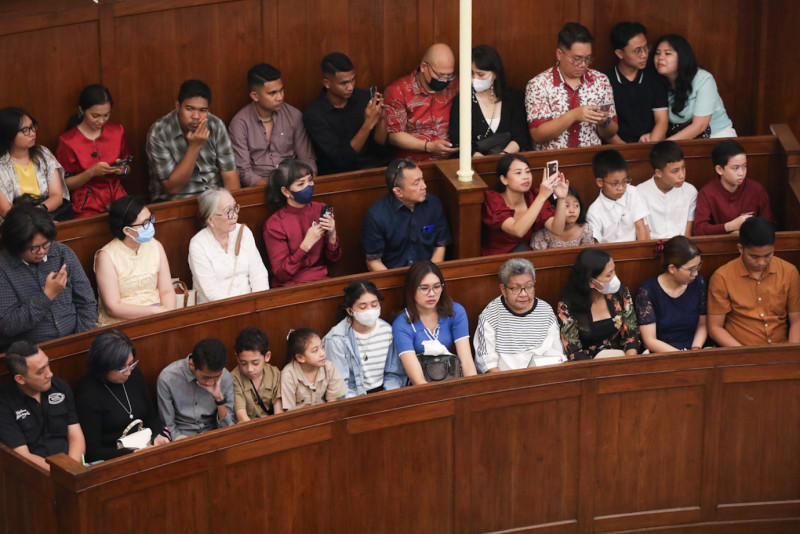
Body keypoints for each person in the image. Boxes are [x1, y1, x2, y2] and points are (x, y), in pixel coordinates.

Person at [0, 204, 97, 352]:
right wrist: (47, 295)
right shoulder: (3, 269)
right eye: (34, 248)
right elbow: (8, 325)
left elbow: (87, 303)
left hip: (76, 340)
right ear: (16, 245)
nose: (42, 252)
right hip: (30, 353)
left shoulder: (63, 253)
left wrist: (82, 340)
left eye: (46, 245)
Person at [75, 330, 170, 462]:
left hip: (146, 448)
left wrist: (156, 436)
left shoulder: (134, 375)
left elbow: (151, 417)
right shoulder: (87, 392)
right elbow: (92, 452)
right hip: (115, 459)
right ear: (103, 367)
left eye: (131, 364)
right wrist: (132, 453)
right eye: (121, 369)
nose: (128, 372)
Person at [707, 217, 800, 346]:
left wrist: (791, 352)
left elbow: (797, 320)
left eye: (768, 255)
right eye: (754, 256)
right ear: (740, 248)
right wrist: (745, 354)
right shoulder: (722, 277)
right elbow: (715, 328)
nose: (761, 263)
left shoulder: (789, 271)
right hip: (741, 351)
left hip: (782, 348)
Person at [526, 23, 617, 151]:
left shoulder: (600, 81)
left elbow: (611, 131)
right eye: (577, 59)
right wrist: (573, 115)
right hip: (553, 160)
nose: (583, 64)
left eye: (588, 58)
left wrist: (604, 122)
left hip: (591, 157)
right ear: (559, 54)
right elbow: (537, 135)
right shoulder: (539, 84)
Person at [146, 79, 240, 202]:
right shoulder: (159, 132)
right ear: (178, 106)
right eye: (189, 109)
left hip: (215, 200)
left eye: (202, 110)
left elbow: (230, 178)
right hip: (176, 202)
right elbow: (172, 188)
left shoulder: (216, 125)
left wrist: (230, 207)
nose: (196, 117)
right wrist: (194, 147)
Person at [0, 341, 85, 471]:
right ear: (20, 379)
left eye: (48, 365)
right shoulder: (5, 404)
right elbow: (22, 455)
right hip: (36, 473)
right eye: (41, 371)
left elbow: (75, 435)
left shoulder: (60, 387)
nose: (49, 374)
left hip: (73, 464)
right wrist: (63, 473)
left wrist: (73, 468)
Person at [390, 260, 477, 384]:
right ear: (411, 289)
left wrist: (472, 389)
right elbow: (417, 380)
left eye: (437, 287)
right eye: (424, 288)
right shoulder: (401, 323)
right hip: (421, 386)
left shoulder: (456, 311)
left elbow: (467, 361)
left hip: (451, 377)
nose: (432, 294)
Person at [229, 63, 317, 186]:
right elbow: (244, 171)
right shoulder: (240, 123)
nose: (280, 97)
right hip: (259, 188)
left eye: (281, 90)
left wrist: (305, 183)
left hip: (294, 184)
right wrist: (274, 190)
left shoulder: (294, 115)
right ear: (255, 96)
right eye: (272, 93)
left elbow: (307, 159)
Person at [95, 196, 176, 326]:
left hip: (159, 316)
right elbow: (113, 306)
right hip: (123, 323)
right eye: (145, 223)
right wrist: (154, 312)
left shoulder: (155, 245)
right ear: (127, 231)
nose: (150, 225)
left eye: (150, 219)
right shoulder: (106, 256)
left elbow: (167, 290)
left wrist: (168, 315)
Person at [474, 258, 565, 372]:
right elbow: (487, 363)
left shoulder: (546, 311)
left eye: (529, 286)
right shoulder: (490, 315)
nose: (523, 294)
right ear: (503, 289)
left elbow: (556, 354)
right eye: (516, 288)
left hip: (541, 376)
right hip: (504, 378)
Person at [303, 52, 387, 175]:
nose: (350, 87)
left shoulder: (364, 98)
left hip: (371, 169)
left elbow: (381, 150)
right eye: (344, 83)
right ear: (327, 83)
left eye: (353, 80)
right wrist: (368, 124)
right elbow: (341, 160)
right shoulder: (314, 114)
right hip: (338, 176)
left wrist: (382, 119)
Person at [55, 84, 131, 218]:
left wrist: (122, 170)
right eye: (95, 116)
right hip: (86, 205)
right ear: (82, 110)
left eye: (106, 115)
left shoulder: (117, 131)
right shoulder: (68, 141)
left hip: (119, 198)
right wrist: (91, 172)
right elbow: (65, 185)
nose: (101, 121)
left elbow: (128, 167)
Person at [361, 159, 452, 270]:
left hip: (428, 274)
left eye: (422, 178)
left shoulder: (434, 204)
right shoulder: (376, 216)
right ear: (398, 191)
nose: (424, 186)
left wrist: (430, 275)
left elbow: (440, 246)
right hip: (392, 275)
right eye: (416, 183)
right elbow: (373, 261)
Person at [264, 158, 340, 286]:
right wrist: (305, 246)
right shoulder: (275, 224)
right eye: (300, 184)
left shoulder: (320, 209)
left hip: (321, 279)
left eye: (310, 180)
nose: (308, 186)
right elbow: (281, 274)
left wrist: (332, 236)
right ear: (286, 191)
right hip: (291, 285)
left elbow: (333, 260)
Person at [558, 248, 642, 360]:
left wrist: (627, 362)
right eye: (608, 275)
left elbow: (632, 335)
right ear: (591, 282)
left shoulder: (620, 293)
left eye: (614, 271)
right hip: (589, 365)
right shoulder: (566, 306)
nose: (614, 278)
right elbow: (574, 352)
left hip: (622, 357)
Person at [189, 187, 269, 302]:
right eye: (228, 212)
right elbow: (211, 291)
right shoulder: (198, 244)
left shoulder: (244, 232)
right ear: (211, 220)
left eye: (235, 208)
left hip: (251, 304)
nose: (235, 215)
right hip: (216, 308)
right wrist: (236, 308)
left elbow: (258, 274)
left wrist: (259, 303)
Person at [448, 45, 530, 156]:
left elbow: (520, 135)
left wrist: (502, 158)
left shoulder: (514, 97)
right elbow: (458, 140)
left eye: (481, 74)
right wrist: (483, 161)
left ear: (495, 74)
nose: (474, 78)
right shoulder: (461, 101)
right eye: (471, 73)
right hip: (473, 162)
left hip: (509, 160)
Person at [322, 280, 398, 397]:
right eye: (363, 307)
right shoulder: (336, 339)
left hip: (385, 393)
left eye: (374, 305)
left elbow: (394, 374)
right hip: (354, 397)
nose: (370, 311)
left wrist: (388, 396)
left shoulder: (387, 330)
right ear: (350, 311)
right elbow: (339, 385)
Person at [384, 43, 459, 162]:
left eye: (449, 76)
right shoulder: (399, 91)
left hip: (452, 160)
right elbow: (394, 136)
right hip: (413, 163)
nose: (445, 81)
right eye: (440, 75)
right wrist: (429, 147)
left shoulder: (455, 86)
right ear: (424, 67)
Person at [481, 153, 567, 256]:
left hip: (524, 255)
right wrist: (542, 196)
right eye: (518, 173)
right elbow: (518, 231)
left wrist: (562, 198)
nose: (525, 177)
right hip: (496, 258)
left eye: (528, 171)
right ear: (504, 179)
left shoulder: (533, 197)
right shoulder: (493, 199)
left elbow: (557, 229)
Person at [653, 34, 736, 139]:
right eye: (657, 53)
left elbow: (699, 126)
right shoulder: (658, 82)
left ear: (682, 57)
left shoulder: (703, 79)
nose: (660, 57)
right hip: (680, 142)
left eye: (667, 53)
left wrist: (664, 145)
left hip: (717, 137)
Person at [635, 236, 707, 352]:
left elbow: (702, 324)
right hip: (663, 353)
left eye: (698, 266)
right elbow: (649, 341)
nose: (696, 273)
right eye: (691, 269)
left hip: (694, 349)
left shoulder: (698, 283)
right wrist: (681, 356)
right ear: (672, 268)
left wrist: (696, 349)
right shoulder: (647, 290)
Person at [156, 338, 236, 439]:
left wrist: (219, 399)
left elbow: (228, 428)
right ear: (192, 364)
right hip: (181, 437)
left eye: (216, 377)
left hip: (214, 435)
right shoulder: (167, 378)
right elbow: (168, 426)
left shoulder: (226, 378)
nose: (211, 382)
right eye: (205, 377)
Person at [0, 107, 69, 220]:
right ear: (9, 135)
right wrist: (33, 221)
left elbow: (57, 196)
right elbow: (5, 210)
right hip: (16, 221)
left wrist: (39, 213)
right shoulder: (2, 165)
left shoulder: (43, 153)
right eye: (25, 130)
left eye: (32, 127)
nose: (32, 133)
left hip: (46, 212)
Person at [693, 139, 774, 236]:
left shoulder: (756, 189)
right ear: (719, 169)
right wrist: (729, 226)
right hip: (720, 244)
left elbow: (769, 224)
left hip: (752, 242)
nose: (741, 173)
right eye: (736, 168)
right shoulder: (706, 193)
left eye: (744, 166)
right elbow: (699, 230)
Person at [606, 22, 668, 144]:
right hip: (617, 149)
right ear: (620, 53)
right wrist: (627, 151)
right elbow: (605, 128)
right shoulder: (605, 81)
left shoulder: (655, 79)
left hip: (650, 145)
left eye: (646, 48)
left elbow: (662, 121)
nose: (644, 55)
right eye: (638, 51)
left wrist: (650, 144)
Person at [585, 149, 650, 243]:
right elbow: (595, 243)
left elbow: (641, 228)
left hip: (635, 248)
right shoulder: (594, 212)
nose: (621, 188)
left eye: (624, 181)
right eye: (615, 184)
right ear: (600, 182)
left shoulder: (632, 192)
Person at [637, 141, 697, 238]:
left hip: (682, 245)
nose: (682, 175)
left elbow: (688, 234)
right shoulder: (640, 193)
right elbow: (644, 235)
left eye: (683, 168)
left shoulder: (690, 191)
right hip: (653, 245)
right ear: (659, 173)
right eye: (675, 171)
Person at [280, 328, 347, 411]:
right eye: (315, 350)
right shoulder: (288, 374)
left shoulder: (329, 367)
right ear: (300, 358)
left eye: (322, 347)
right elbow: (289, 411)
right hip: (299, 417)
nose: (322, 353)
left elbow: (332, 403)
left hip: (325, 414)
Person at [231, 327, 283, 422]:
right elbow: (241, 416)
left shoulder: (274, 373)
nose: (250, 369)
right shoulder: (234, 378)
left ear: (267, 356)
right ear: (237, 358)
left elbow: (278, 412)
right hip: (248, 427)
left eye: (255, 363)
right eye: (243, 363)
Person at [530, 186, 595, 249]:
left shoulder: (585, 230)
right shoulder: (544, 232)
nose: (572, 211)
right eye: (566, 206)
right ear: (553, 208)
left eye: (576, 205)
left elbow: (588, 254)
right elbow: (537, 255)